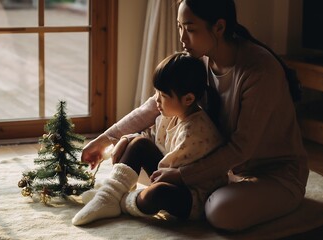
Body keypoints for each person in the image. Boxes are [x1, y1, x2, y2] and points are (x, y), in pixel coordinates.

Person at [77, 0, 309, 232]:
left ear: (219, 27)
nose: (182, 38)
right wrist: (105, 139)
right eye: (179, 27)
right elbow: (155, 105)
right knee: (134, 147)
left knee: (219, 212)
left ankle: (127, 202)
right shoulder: (202, 58)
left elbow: (241, 149)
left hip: (276, 176)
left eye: (190, 28)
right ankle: (109, 198)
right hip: (226, 173)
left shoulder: (259, 71)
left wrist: (182, 175)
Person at [72, 51, 224, 225]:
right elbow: (148, 139)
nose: (157, 100)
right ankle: (110, 194)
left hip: (192, 195)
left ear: (188, 99)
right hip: (168, 173)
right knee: (139, 143)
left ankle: (117, 200)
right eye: (157, 93)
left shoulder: (195, 131)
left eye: (164, 96)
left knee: (157, 193)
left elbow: (165, 175)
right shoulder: (170, 114)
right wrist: (128, 140)